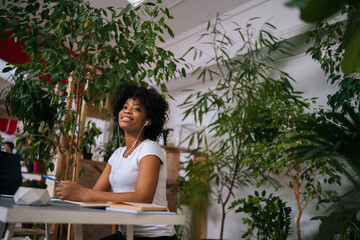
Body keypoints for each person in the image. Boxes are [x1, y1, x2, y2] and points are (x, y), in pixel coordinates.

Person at [55, 83, 176, 240]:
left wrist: (83, 193)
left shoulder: (150, 149)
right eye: (125, 106)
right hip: (128, 233)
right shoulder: (117, 154)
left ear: (148, 121)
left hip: (155, 235)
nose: (127, 110)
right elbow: (96, 193)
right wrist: (75, 194)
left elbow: (143, 198)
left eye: (137, 108)